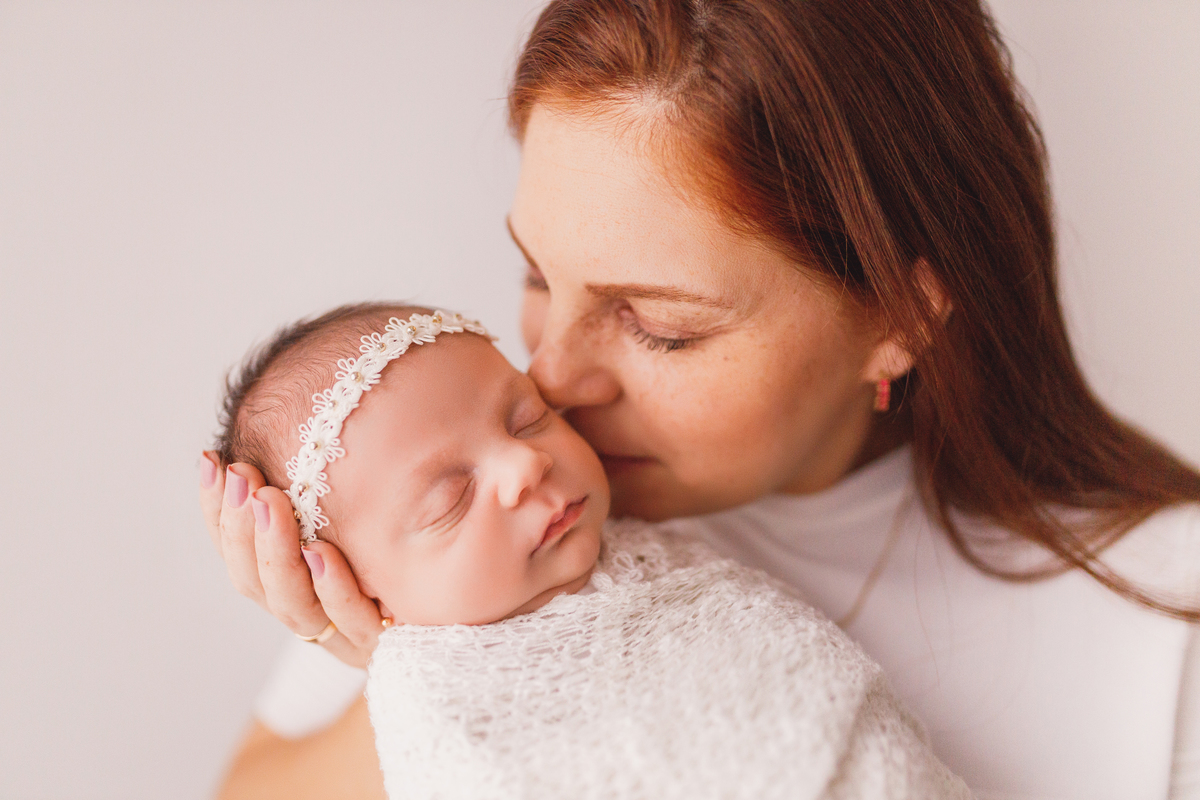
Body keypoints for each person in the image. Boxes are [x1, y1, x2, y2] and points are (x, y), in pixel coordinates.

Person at [199, 1, 1200, 798]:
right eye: (539, 276)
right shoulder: (471, 515)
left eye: (658, 326)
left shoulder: (1166, 635)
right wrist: (436, 675)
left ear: (899, 310)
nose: (550, 376)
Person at [212, 302, 970, 799]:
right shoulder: (414, 690)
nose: (523, 466)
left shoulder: (653, 538)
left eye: (527, 417)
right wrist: (387, 669)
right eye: (449, 499)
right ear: (356, 586)